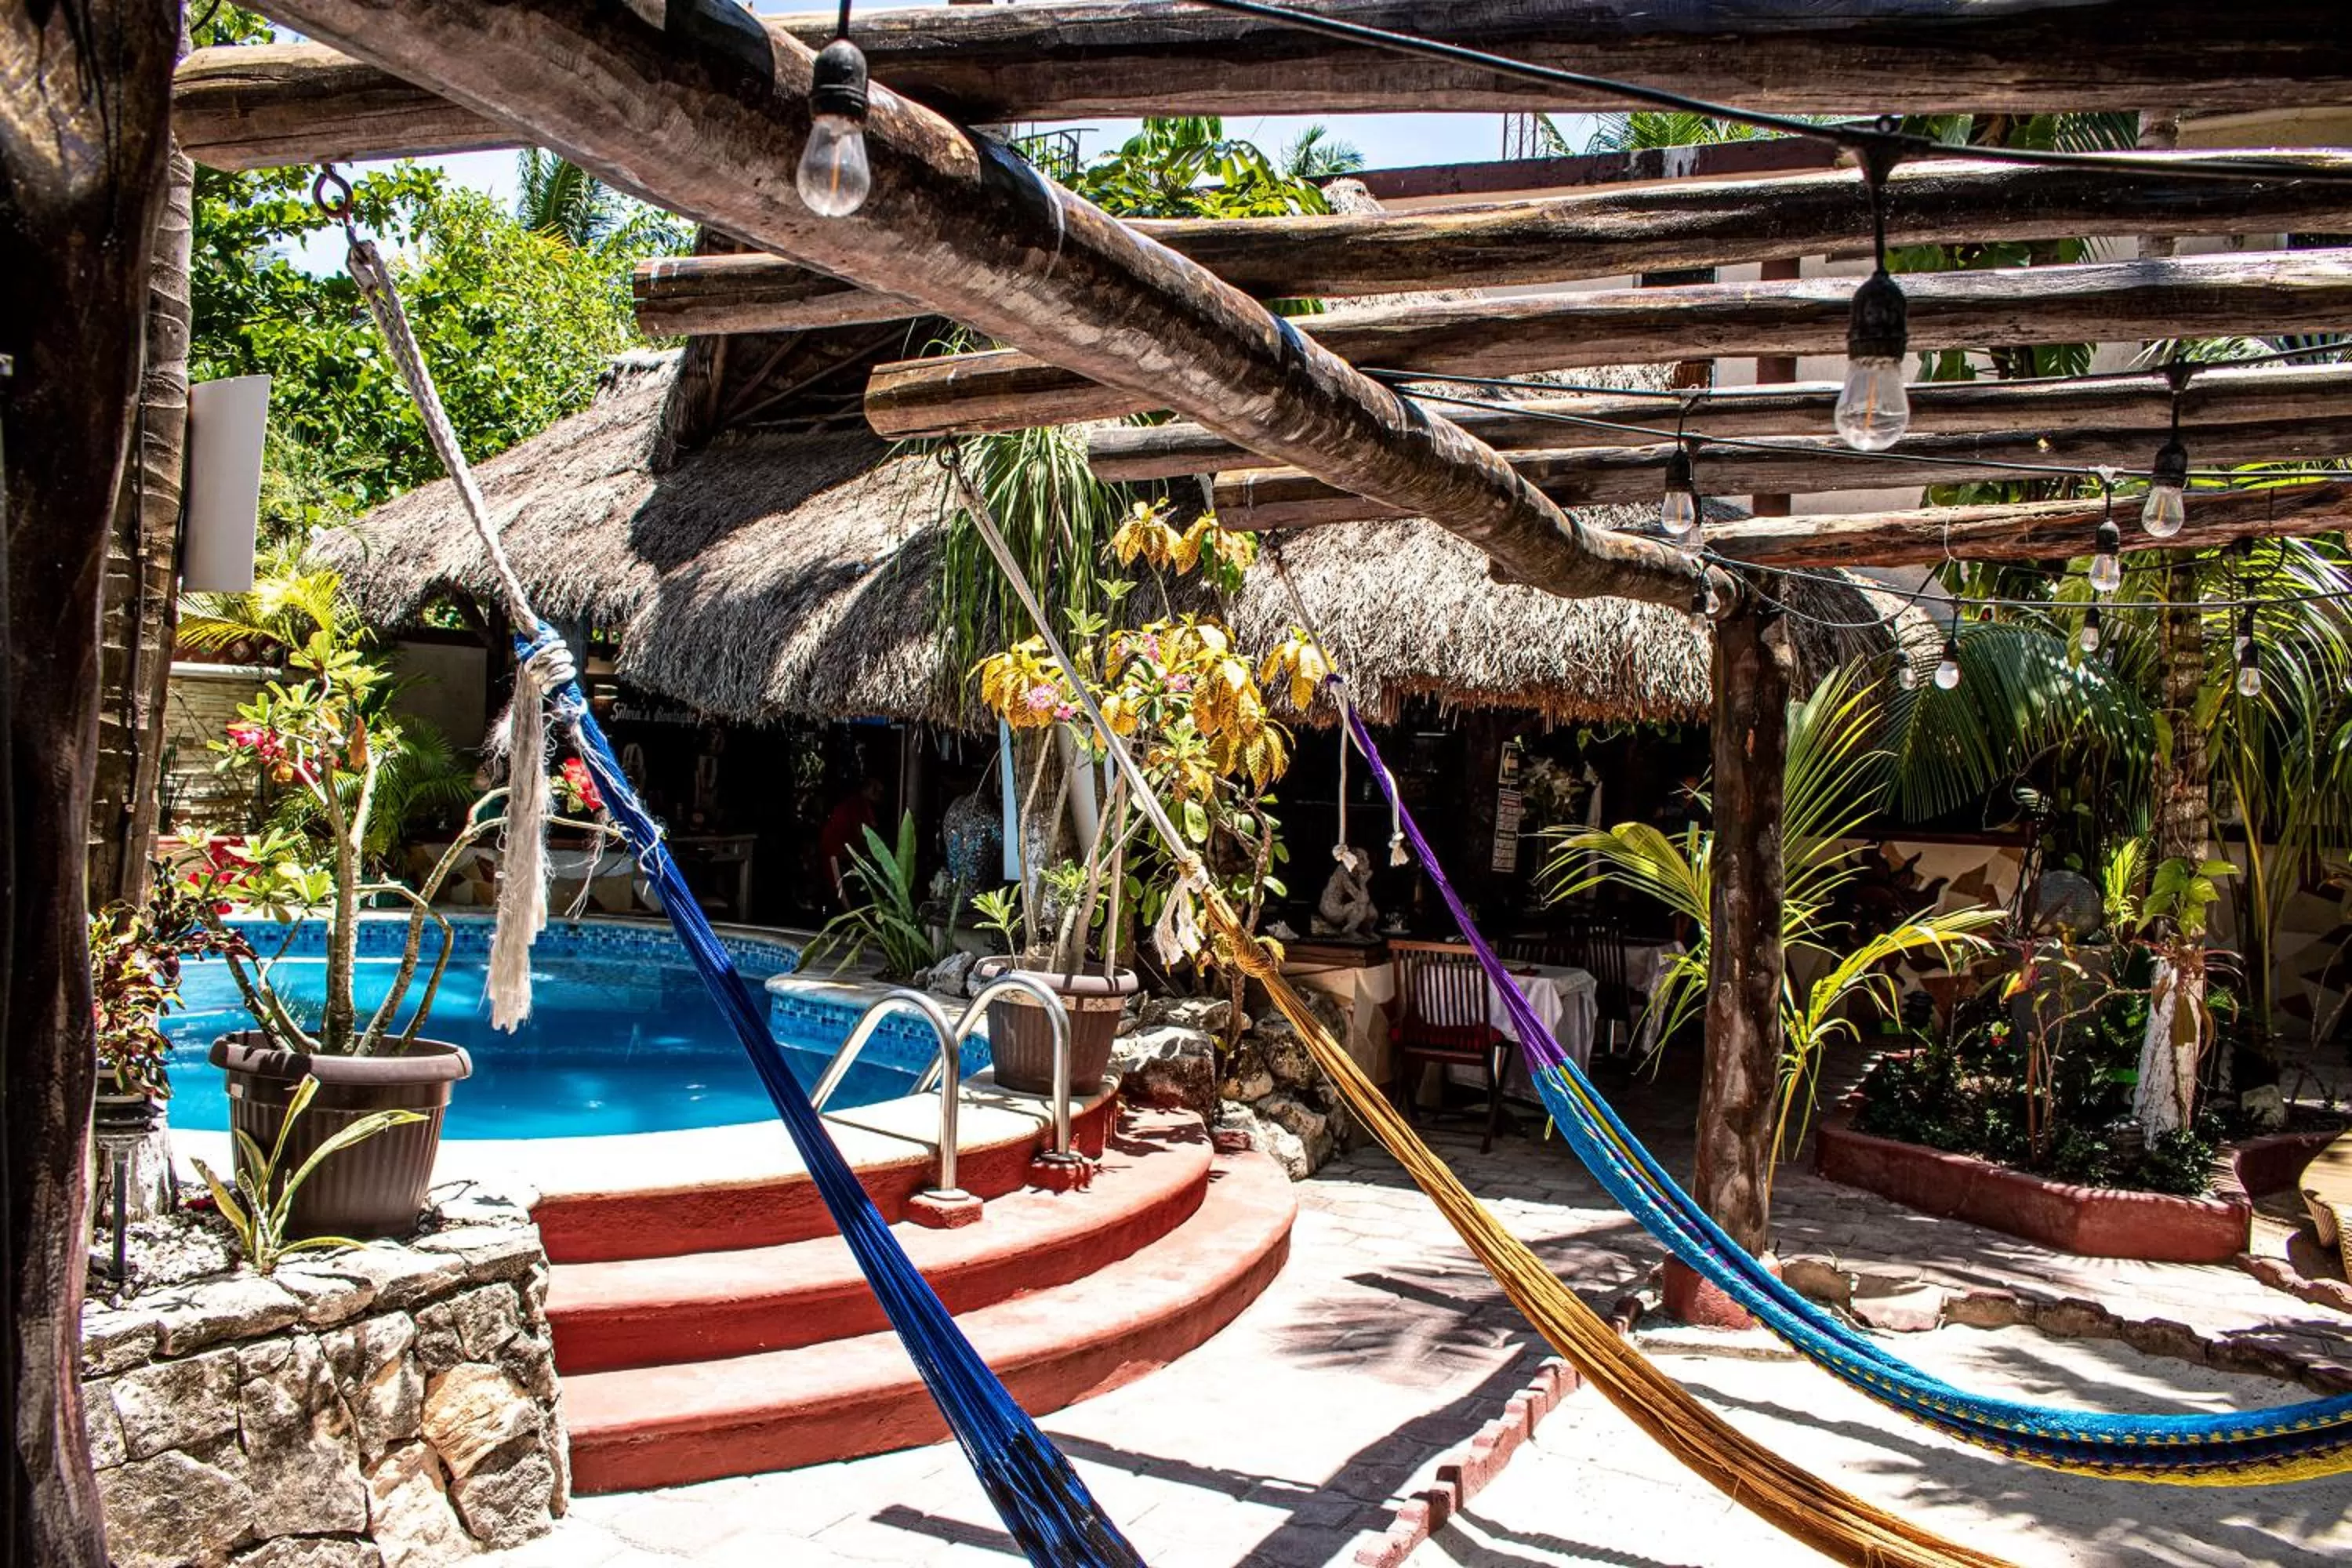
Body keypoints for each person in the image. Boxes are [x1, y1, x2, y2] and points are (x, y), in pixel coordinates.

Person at [818, 776, 885, 906]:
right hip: (839, 860)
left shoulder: (861, 806)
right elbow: (866, 837)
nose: (879, 795)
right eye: (875, 790)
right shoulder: (855, 806)